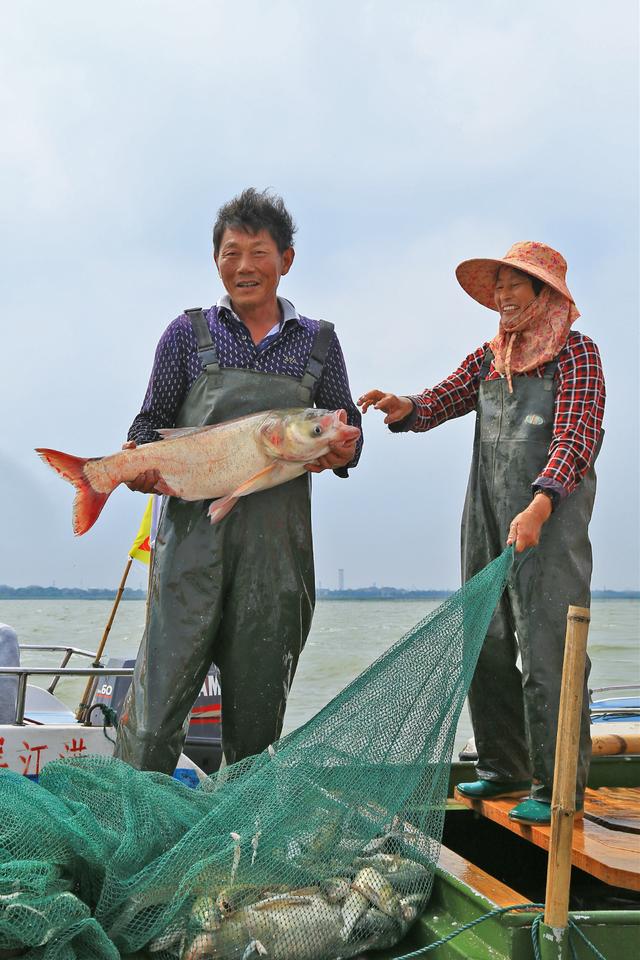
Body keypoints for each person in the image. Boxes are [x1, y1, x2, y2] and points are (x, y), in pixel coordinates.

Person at [114, 188, 362, 774]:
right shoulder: (187, 333)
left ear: (287, 259)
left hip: (277, 559)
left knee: (257, 721)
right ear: (216, 259)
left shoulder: (319, 342)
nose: (243, 266)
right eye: (230, 252)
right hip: (189, 547)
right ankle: (134, 837)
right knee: (154, 714)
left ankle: (241, 846)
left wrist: (345, 449)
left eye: (258, 252)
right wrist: (139, 467)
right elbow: (148, 426)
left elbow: (345, 428)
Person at [358, 241, 604, 825]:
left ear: (547, 294)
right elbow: (443, 397)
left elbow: (575, 437)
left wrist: (542, 504)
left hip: (550, 518)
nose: (503, 295)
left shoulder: (577, 355)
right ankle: (504, 765)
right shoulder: (491, 357)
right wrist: (405, 406)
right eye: (498, 286)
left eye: (516, 284)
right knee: (486, 640)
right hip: (486, 517)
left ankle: (557, 783)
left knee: (549, 649)